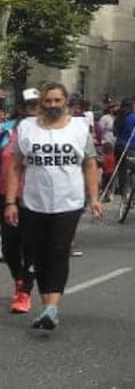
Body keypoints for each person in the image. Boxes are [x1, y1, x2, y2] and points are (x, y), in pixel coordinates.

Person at [3, 82, 102, 330]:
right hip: (34, 201)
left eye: (58, 101)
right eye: (48, 101)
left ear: (66, 102)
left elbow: (90, 165)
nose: (53, 105)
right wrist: (11, 202)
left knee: (58, 250)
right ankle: (47, 307)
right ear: (41, 104)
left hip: (68, 201)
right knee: (38, 253)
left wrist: (94, 199)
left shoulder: (79, 128)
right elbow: (16, 167)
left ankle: (52, 307)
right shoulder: (27, 128)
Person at [1, 89, 40, 313]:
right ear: (22, 108)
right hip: (6, 195)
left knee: (32, 244)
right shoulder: (6, 130)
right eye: (30, 106)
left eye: (38, 105)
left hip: (36, 197)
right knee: (9, 244)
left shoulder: (49, 132)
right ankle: (19, 279)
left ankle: (25, 290)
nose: (34, 110)